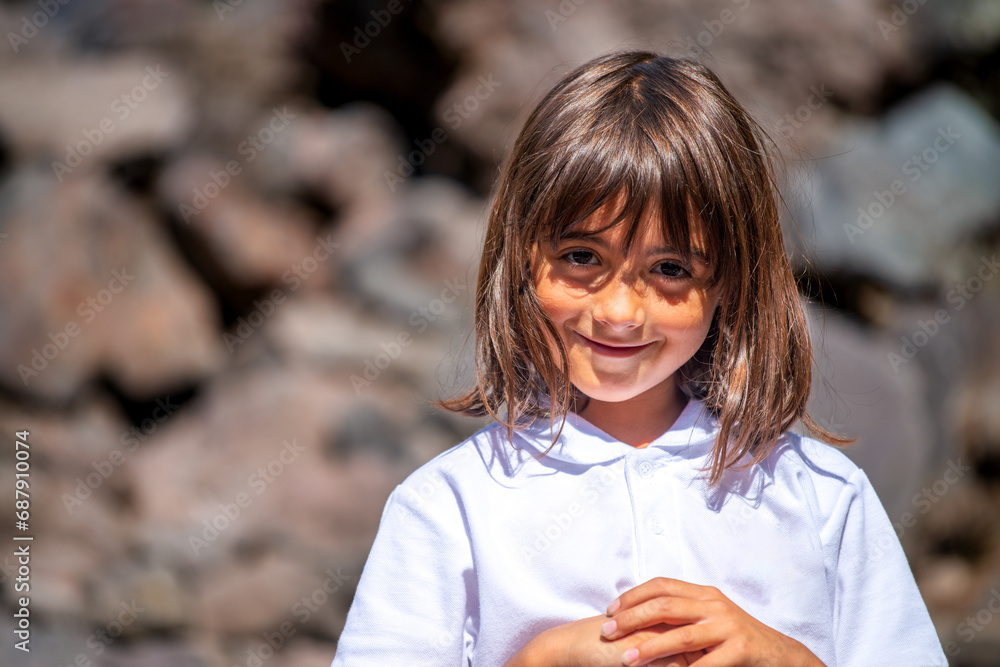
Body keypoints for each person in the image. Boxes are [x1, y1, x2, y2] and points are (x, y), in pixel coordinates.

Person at [329, 50, 948, 666]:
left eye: (671, 269)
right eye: (581, 257)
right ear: (520, 255)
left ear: (732, 280)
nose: (620, 312)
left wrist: (782, 658)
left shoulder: (822, 497)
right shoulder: (449, 508)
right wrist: (541, 660)